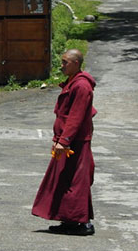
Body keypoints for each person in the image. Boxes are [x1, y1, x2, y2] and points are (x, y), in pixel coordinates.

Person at [32, 49, 96, 236]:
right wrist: (58, 139)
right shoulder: (73, 82)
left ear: (76, 63)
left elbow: (75, 116)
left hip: (76, 142)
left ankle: (83, 222)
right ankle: (69, 220)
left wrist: (64, 141)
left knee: (76, 181)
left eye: (65, 62)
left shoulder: (82, 86)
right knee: (63, 179)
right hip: (68, 141)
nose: (62, 66)